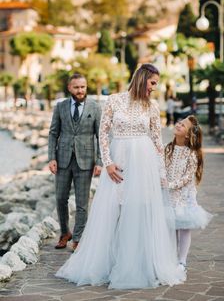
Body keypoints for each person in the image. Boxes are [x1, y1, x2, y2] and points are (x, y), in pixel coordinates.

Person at [56, 63, 185, 289]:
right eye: (153, 82)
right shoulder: (114, 100)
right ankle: (109, 262)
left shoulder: (152, 106)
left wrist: (161, 172)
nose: (155, 88)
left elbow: (157, 141)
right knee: (112, 210)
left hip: (143, 163)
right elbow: (103, 132)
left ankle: (138, 263)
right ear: (142, 78)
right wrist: (107, 162)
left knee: (138, 210)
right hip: (118, 162)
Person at [48, 73, 102, 251]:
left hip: (85, 161)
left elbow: (100, 136)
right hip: (62, 159)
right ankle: (65, 233)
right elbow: (53, 133)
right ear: (69, 88)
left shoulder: (95, 107)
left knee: (81, 203)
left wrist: (100, 161)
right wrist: (52, 158)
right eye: (77, 87)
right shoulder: (60, 106)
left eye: (83, 87)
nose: (80, 90)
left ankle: (78, 237)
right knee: (60, 199)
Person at [165, 115, 213, 273]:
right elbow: (163, 167)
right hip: (169, 193)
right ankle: (169, 258)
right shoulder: (168, 148)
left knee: (184, 227)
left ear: (188, 135)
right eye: (179, 122)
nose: (178, 124)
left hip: (184, 195)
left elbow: (187, 178)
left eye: (183, 125)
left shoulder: (192, 154)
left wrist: (171, 185)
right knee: (170, 226)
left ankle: (182, 261)